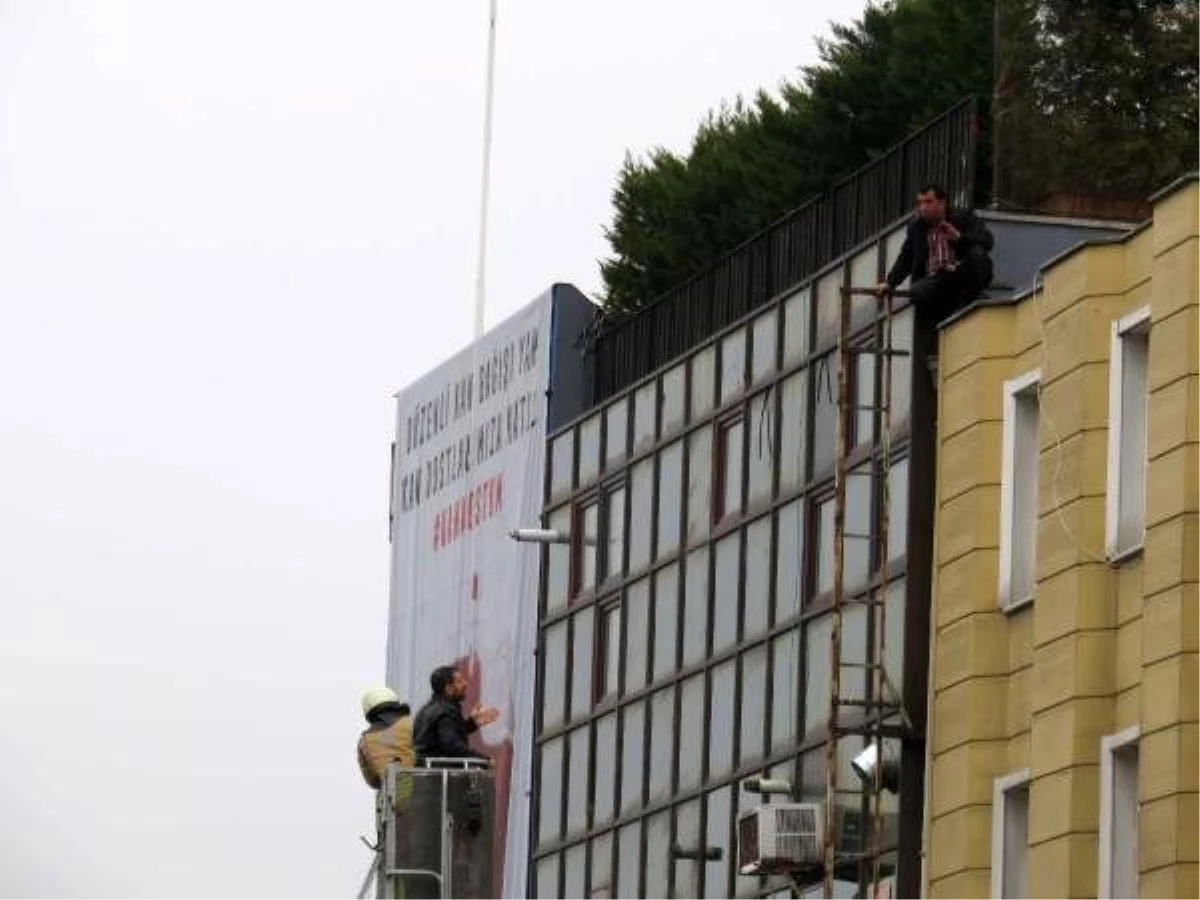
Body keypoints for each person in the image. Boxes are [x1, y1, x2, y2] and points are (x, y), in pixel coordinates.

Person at [876, 183, 994, 321]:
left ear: (942, 203)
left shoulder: (963, 217)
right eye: (920, 203)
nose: (923, 208)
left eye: (928, 202)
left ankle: (968, 302)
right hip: (936, 279)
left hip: (961, 272)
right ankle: (941, 322)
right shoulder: (917, 228)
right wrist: (890, 282)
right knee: (917, 291)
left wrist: (959, 238)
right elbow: (906, 257)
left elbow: (987, 241)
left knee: (977, 253)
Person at [412, 665, 499, 764]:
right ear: (449, 688)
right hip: (439, 776)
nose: (465, 684)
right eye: (459, 681)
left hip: (426, 774)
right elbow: (453, 747)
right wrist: (483, 761)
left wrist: (472, 723)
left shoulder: (426, 710)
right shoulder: (446, 712)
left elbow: (440, 738)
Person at [357, 686, 415, 789]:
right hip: (425, 786)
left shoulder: (364, 741)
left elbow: (373, 781)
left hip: (393, 797)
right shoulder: (411, 723)